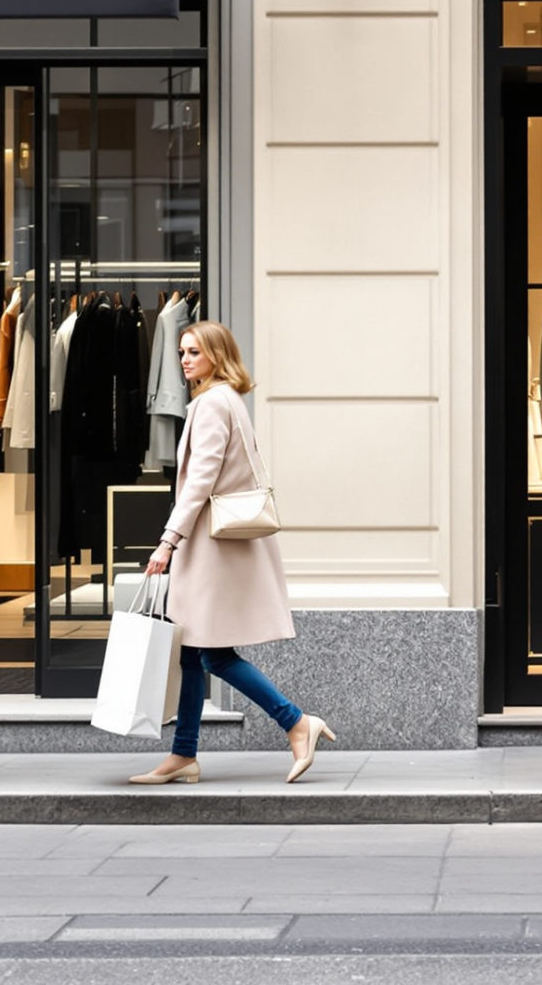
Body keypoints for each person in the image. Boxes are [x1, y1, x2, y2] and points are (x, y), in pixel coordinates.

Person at [130, 320, 335, 786]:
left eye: (194, 353)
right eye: (182, 352)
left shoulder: (210, 404)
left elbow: (200, 480)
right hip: (212, 549)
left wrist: (168, 541)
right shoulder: (227, 401)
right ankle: (183, 755)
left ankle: (297, 722)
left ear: (216, 357)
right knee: (190, 651)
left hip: (208, 551)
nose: (184, 360)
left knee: (213, 655)